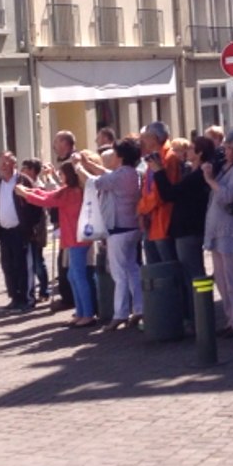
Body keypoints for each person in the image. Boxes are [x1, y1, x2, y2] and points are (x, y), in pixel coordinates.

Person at [78, 139, 144, 329]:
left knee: (119, 273)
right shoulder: (133, 174)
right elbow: (107, 174)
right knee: (132, 269)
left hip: (118, 229)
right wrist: (90, 164)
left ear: (120, 156)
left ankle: (120, 313)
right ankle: (139, 308)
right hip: (132, 227)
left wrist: (79, 168)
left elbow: (95, 183)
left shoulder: (119, 176)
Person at [19, 162, 94, 327]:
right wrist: (29, 191)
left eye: (61, 175)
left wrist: (26, 194)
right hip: (74, 238)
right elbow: (49, 194)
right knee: (73, 276)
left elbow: (47, 200)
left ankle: (87, 314)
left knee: (78, 276)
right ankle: (81, 312)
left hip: (77, 239)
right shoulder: (70, 191)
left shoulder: (71, 193)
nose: (60, 178)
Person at [153, 136, 215, 322]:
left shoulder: (198, 176)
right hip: (186, 228)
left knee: (193, 275)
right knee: (191, 274)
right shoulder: (191, 171)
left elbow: (170, 194)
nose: (186, 152)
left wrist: (159, 172)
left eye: (191, 149)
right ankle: (195, 316)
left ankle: (201, 319)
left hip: (189, 229)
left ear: (199, 153)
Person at [202, 129, 233, 337]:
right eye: (227, 148)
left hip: (231, 229)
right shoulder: (227, 166)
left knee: (232, 276)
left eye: (232, 149)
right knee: (221, 278)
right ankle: (231, 318)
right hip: (217, 230)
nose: (228, 152)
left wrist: (210, 179)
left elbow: (229, 195)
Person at [0, 152, 34, 312]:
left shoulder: (23, 181)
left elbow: (34, 204)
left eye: (6, 162)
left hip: (20, 231)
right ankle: (14, 297)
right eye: (1, 163)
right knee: (8, 266)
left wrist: (30, 226)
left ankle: (25, 298)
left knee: (22, 265)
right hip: (4, 232)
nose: (3, 166)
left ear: (14, 165)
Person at [137, 121, 182, 264]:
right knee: (155, 270)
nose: (142, 141)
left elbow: (159, 194)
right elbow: (147, 188)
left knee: (168, 268)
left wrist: (141, 208)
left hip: (163, 221)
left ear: (155, 138)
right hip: (152, 222)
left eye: (146, 137)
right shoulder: (155, 156)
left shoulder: (168, 158)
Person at [19, 159, 49, 304]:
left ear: (31, 170)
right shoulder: (26, 184)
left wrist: (35, 231)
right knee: (32, 262)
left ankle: (44, 290)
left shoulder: (38, 186)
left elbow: (38, 213)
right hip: (30, 230)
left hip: (36, 231)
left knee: (38, 263)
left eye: (24, 168)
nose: (21, 170)